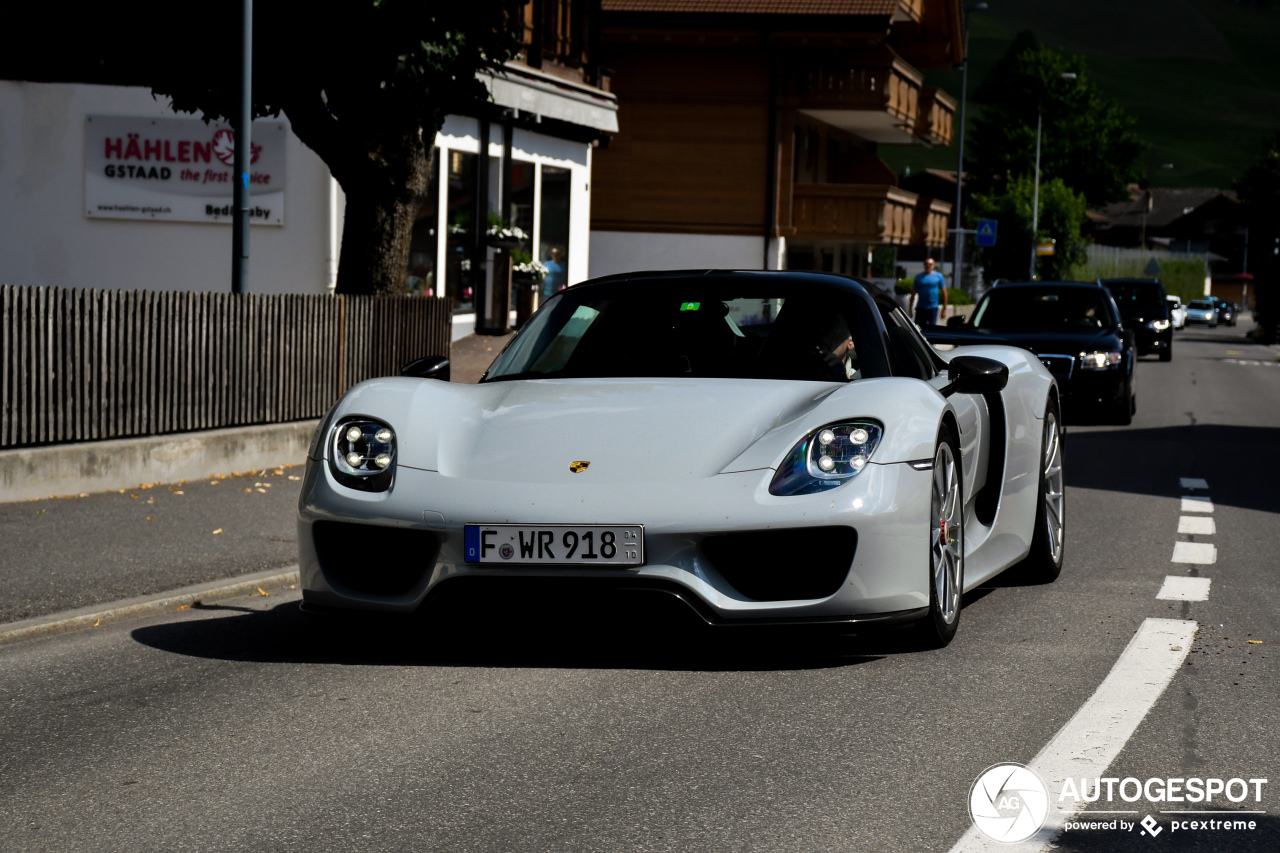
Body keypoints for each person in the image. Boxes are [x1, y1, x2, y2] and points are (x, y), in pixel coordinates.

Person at [909, 257, 948, 327]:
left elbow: (944, 293)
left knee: (932, 328)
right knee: (918, 328)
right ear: (924, 265)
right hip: (921, 307)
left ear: (933, 265)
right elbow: (913, 294)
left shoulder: (938, 276)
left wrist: (944, 309)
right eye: (926, 264)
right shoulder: (919, 277)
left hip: (933, 308)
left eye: (930, 264)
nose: (928, 266)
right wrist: (910, 309)